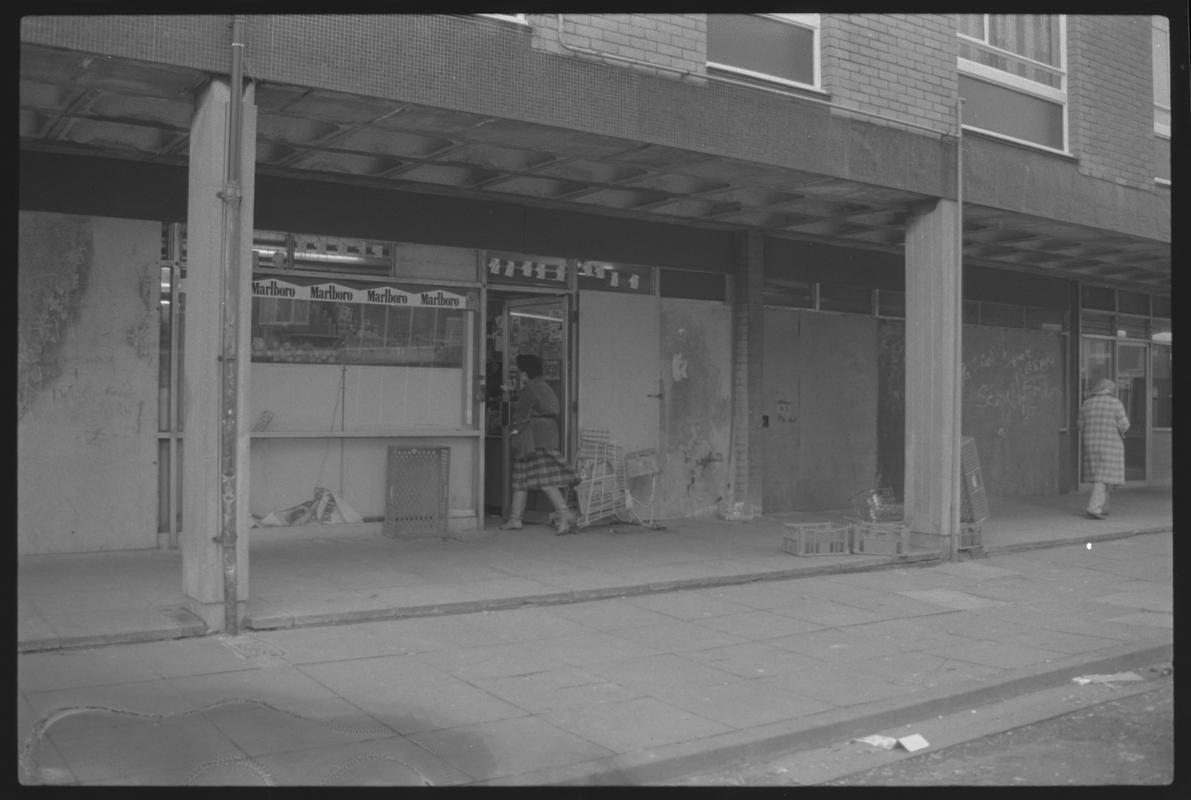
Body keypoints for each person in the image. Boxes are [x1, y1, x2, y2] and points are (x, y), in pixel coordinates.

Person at [501, 354, 579, 534]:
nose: (520, 376)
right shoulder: (546, 387)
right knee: (522, 478)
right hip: (547, 436)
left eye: (521, 372)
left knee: (541, 480)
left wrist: (512, 429)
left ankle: (564, 515)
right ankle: (515, 518)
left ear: (526, 372)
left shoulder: (530, 389)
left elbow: (521, 414)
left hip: (533, 439)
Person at [1077, 378, 1129, 520]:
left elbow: (1080, 425)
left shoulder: (1087, 404)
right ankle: (1093, 508)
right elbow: (1124, 424)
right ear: (1109, 390)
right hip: (1110, 443)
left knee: (1101, 476)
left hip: (1091, 443)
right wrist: (1118, 429)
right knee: (1103, 477)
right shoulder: (1115, 403)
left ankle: (1104, 507)